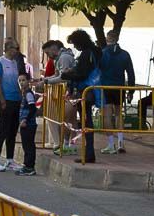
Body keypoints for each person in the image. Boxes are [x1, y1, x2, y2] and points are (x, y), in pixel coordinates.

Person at [59, 29, 103, 164]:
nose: (74, 47)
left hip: (85, 91)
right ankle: (88, 152)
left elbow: (82, 74)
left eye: (75, 43)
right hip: (90, 89)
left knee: (86, 123)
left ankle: (89, 154)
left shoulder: (87, 54)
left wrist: (66, 75)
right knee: (86, 122)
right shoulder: (95, 51)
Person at [0, 38, 25, 172]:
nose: (17, 51)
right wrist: (2, 99)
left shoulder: (16, 63)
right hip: (6, 100)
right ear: (8, 49)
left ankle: (10, 160)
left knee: (12, 132)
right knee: (3, 131)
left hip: (16, 99)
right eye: (15, 48)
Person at [35, 40, 76, 154]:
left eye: (48, 53)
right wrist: (46, 80)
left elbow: (64, 77)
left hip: (68, 92)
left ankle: (66, 144)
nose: (48, 56)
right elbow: (58, 75)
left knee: (67, 118)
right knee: (63, 118)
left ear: (54, 48)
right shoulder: (58, 59)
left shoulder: (64, 58)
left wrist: (47, 81)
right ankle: (63, 144)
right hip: (64, 92)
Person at [99, 30, 136, 154]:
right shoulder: (125, 54)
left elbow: (98, 70)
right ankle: (121, 142)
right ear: (117, 38)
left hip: (106, 87)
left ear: (107, 38)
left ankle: (110, 144)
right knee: (119, 114)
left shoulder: (103, 53)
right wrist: (131, 90)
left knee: (107, 115)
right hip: (119, 87)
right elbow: (130, 73)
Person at [16, 73, 40, 176]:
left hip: (29, 124)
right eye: (20, 80)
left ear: (28, 81)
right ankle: (27, 165)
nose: (21, 82)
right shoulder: (24, 93)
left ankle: (29, 167)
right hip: (24, 124)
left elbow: (32, 108)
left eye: (23, 80)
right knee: (26, 145)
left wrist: (25, 120)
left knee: (29, 145)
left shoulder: (28, 94)